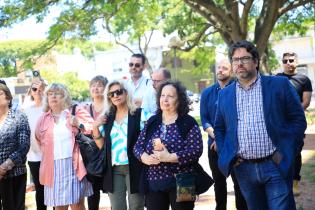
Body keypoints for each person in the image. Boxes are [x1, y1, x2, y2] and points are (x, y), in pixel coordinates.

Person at [214, 40, 307, 210]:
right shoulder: (225, 94)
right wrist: (227, 153)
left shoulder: (279, 85)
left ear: (256, 61)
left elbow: (298, 119)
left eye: (245, 58)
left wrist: (290, 149)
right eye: (235, 60)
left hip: (276, 164)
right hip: (243, 168)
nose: (240, 63)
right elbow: (219, 128)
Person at [134, 80, 203, 210]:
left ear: (179, 100)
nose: (165, 99)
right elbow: (137, 147)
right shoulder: (152, 121)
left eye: (170, 96)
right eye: (162, 95)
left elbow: (196, 150)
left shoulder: (188, 122)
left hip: (184, 180)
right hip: (154, 180)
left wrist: (170, 157)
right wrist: (145, 158)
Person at [93, 80, 151, 210]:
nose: (115, 96)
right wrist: (95, 127)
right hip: (114, 170)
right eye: (111, 94)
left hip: (135, 167)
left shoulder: (140, 114)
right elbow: (102, 146)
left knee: (136, 206)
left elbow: (152, 137)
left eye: (118, 92)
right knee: (117, 207)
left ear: (126, 93)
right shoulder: (107, 117)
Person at [35, 83, 93, 210]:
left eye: (57, 93)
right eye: (50, 94)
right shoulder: (43, 119)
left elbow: (91, 129)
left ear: (65, 97)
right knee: (59, 206)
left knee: (77, 204)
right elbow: (39, 139)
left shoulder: (75, 112)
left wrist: (79, 123)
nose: (53, 96)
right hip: (53, 167)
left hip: (74, 165)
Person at [200, 59, 247, 210]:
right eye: (218, 67)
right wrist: (216, 138)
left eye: (224, 68)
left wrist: (223, 140)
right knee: (219, 183)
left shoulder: (238, 90)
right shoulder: (207, 93)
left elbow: (239, 118)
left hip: (234, 145)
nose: (220, 70)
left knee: (238, 183)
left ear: (231, 71)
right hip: (213, 146)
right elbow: (205, 119)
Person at [276, 52, 313, 196]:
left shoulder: (304, 79)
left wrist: (293, 114)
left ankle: (295, 181)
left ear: (296, 62)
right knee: (278, 150)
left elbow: (306, 102)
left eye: (291, 60)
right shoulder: (277, 79)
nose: (288, 63)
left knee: (296, 151)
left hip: (296, 123)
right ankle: (281, 179)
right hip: (279, 122)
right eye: (285, 60)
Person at [0, 83, 30, 210]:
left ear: (8, 97)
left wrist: (4, 167)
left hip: (14, 174)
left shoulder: (19, 116)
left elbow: (24, 146)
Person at [83, 75, 108, 210]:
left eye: (99, 85)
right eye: (93, 85)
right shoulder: (84, 109)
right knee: (92, 193)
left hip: (109, 152)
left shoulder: (111, 108)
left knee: (112, 191)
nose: (96, 88)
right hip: (91, 156)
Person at [24, 78, 47, 210]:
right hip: (34, 156)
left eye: (41, 88)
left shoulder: (49, 108)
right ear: (30, 91)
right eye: (34, 89)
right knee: (40, 188)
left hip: (50, 155)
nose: (38, 91)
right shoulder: (26, 110)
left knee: (53, 189)